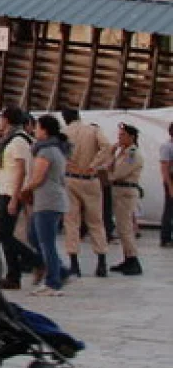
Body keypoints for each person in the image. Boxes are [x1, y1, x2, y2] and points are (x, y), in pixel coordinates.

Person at [0, 107, 42, 290]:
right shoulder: (10, 140)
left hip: (12, 193)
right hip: (6, 190)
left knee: (3, 234)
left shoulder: (18, 141)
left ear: (7, 120)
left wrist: (15, 198)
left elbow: (21, 170)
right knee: (6, 235)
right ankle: (13, 276)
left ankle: (36, 261)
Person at [23, 115, 70, 296]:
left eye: (37, 127)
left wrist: (25, 190)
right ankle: (61, 271)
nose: (35, 131)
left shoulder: (46, 151)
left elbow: (38, 177)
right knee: (34, 236)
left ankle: (53, 282)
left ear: (44, 130)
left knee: (46, 242)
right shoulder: (54, 149)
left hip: (48, 201)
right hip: (48, 200)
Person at [60, 109, 109, 278]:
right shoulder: (93, 130)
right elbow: (106, 146)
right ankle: (101, 261)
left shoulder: (64, 133)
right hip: (90, 178)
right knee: (96, 221)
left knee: (71, 221)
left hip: (70, 178)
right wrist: (94, 164)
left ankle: (74, 264)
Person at [104, 123, 145, 276]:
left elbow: (118, 173)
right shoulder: (124, 152)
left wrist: (109, 168)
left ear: (131, 137)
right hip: (120, 191)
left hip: (125, 191)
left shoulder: (132, 154)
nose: (119, 138)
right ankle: (127, 258)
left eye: (122, 135)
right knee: (122, 227)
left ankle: (133, 260)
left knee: (126, 227)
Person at [161, 123, 173, 249]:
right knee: (169, 210)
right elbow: (165, 168)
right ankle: (165, 238)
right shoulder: (167, 146)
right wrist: (170, 186)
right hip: (171, 179)